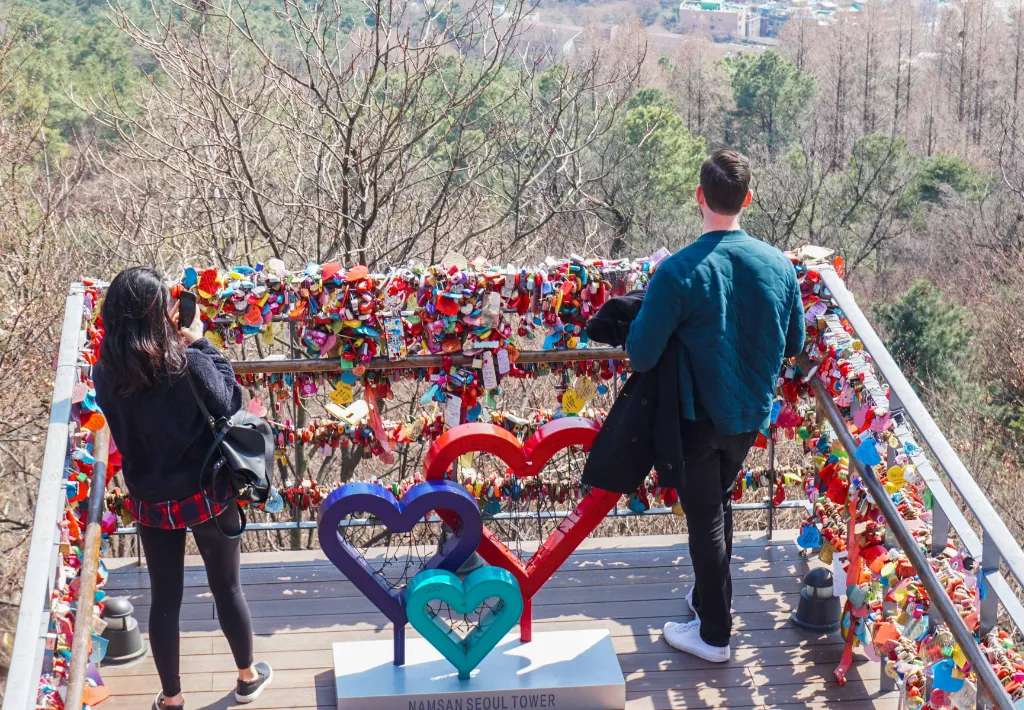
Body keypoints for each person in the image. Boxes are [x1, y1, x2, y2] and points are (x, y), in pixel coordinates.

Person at [625, 149, 804, 663]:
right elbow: (794, 341)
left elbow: (641, 353)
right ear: (748, 199)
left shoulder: (678, 272)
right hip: (750, 414)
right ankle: (707, 595)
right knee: (716, 502)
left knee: (704, 516)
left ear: (699, 197)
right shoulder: (779, 265)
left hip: (695, 416)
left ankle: (715, 636)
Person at [93, 267, 273, 709]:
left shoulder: (104, 375)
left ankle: (172, 698)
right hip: (206, 492)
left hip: (151, 500)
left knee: (165, 599)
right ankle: (247, 677)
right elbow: (230, 401)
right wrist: (201, 341)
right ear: (159, 313)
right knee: (226, 586)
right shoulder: (185, 363)